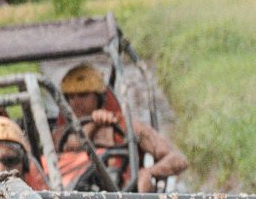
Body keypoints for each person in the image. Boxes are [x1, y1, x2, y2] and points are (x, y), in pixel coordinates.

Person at [58, 62, 189, 191]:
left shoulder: (128, 126)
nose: (75, 103)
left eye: (83, 95)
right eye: (70, 97)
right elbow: (71, 146)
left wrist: (149, 172)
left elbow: (178, 159)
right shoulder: (60, 134)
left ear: (98, 97)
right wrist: (94, 125)